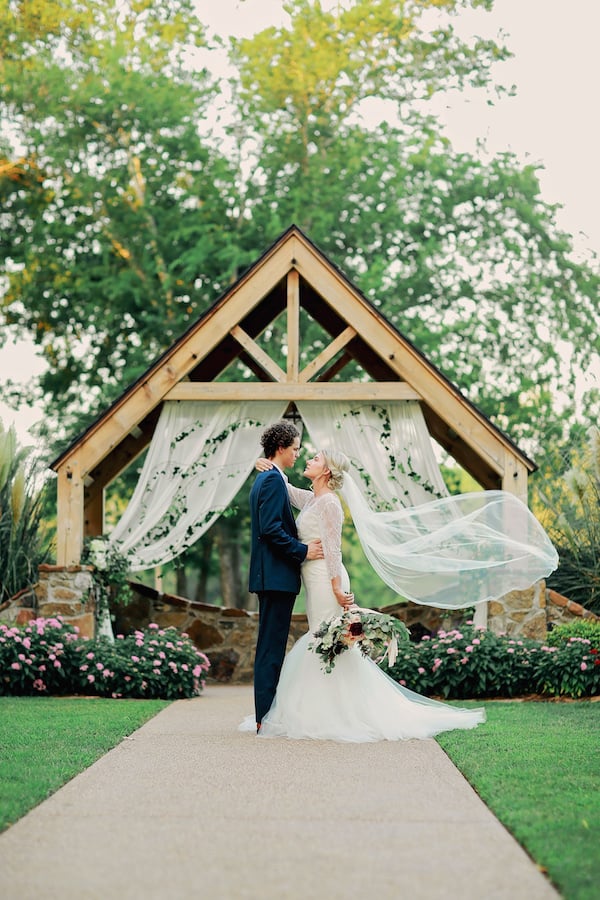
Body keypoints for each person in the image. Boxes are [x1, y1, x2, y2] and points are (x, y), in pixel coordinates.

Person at [242, 448, 489, 741]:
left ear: (326, 471)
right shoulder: (312, 499)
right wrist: (269, 466)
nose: (308, 460)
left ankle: (336, 713)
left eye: (316, 459)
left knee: (326, 641)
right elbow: (286, 488)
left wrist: (336, 587)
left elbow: (333, 549)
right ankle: (326, 710)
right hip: (314, 579)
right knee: (328, 642)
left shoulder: (330, 504)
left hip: (326, 580)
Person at [249, 421, 324, 733]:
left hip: (274, 577)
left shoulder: (271, 478)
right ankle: (264, 718)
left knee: (271, 645)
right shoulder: (270, 480)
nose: (297, 454)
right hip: (275, 577)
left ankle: (264, 715)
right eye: (295, 449)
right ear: (280, 447)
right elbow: (271, 530)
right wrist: (302, 550)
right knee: (270, 647)